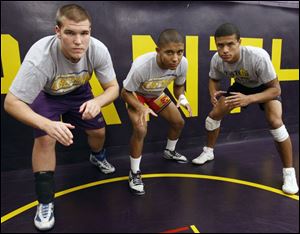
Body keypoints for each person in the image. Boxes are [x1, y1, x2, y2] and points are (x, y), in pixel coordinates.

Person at [4, 4, 119, 231]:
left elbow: (113, 88)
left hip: (79, 93)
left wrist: (97, 102)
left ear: (90, 32)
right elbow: (11, 103)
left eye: (84, 33)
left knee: (98, 132)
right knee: (46, 139)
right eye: (70, 33)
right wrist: (47, 124)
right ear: (58, 31)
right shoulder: (40, 57)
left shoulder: (97, 49)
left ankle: (97, 156)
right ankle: (45, 202)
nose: (78, 41)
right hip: (47, 95)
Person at [192, 23, 299, 195]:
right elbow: (214, 79)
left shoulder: (258, 57)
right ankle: (208, 152)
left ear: (239, 42)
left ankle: (289, 173)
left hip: (265, 89)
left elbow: (275, 89)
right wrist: (213, 94)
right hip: (242, 87)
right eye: (220, 45)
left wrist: (248, 99)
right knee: (212, 117)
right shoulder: (217, 59)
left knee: (275, 123)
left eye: (230, 44)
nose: (225, 50)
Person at [121, 29, 193, 195]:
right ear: (158, 51)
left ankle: (169, 151)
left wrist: (182, 98)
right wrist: (141, 107)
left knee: (178, 122)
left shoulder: (183, 63)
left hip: (156, 94)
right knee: (140, 129)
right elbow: (124, 92)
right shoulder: (142, 65)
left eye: (179, 52)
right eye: (169, 52)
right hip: (136, 96)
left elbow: (178, 87)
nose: (175, 58)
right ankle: (134, 173)